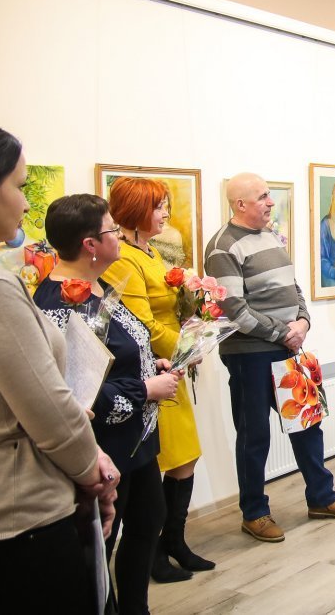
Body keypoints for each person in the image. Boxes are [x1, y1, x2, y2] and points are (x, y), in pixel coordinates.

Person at [0, 119, 119, 613]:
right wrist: (92, 471)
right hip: (21, 517)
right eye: (19, 186)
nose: (25, 204)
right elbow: (47, 408)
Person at [35, 194, 183, 614]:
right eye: (112, 230)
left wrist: (150, 363)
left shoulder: (99, 288)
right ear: (90, 245)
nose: (119, 236)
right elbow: (73, 392)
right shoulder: (58, 306)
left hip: (136, 442)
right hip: (104, 447)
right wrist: (145, 390)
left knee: (148, 520)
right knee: (104, 542)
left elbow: (116, 353)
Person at [206, 173, 335, 542]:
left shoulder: (270, 235)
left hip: (288, 348)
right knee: (254, 436)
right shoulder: (223, 247)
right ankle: (254, 513)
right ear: (240, 204)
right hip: (249, 355)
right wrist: (284, 332)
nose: (270, 203)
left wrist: (304, 321)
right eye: (262, 197)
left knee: (307, 424)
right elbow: (235, 311)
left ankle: (322, 498)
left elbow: (292, 287)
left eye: (269, 196)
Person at [102, 176, 213, 582]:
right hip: (152, 372)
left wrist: (197, 318)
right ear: (136, 212)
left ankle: (173, 541)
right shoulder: (125, 260)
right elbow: (141, 326)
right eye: (159, 206)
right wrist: (190, 344)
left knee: (186, 458)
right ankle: (152, 552)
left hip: (171, 366)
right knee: (163, 464)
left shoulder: (151, 252)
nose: (166, 213)